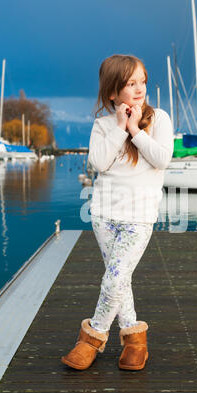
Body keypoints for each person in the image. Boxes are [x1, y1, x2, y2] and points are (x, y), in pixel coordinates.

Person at [61, 54, 174, 371]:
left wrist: (137, 129)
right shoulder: (102, 125)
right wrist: (121, 127)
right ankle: (136, 343)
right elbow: (99, 163)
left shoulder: (159, 119)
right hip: (104, 216)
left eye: (143, 81)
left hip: (139, 218)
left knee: (113, 280)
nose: (139, 89)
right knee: (119, 280)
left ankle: (92, 338)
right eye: (130, 83)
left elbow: (162, 159)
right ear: (112, 92)